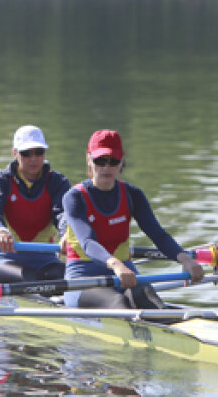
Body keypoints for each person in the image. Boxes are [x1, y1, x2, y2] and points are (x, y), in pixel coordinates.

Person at [61, 129, 204, 309]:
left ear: (122, 162)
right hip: (82, 279)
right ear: (89, 159)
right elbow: (88, 242)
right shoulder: (74, 198)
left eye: (113, 161)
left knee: (151, 299)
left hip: (125, 274)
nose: (106, 167)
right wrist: (115, 264)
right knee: (118, 302)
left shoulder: (132, 195)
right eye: (100, 160)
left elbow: (158, 235)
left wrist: (186, 259)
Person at [0, 125, 71, 283]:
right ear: (15, 153)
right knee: (34, 279)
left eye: (38, 152)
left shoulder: (57, 182)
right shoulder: (1, 180)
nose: (33, 158)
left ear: (44, 153)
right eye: (26, 153)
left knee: (73, 276)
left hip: (46, 260)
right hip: (4, 258)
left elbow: (64, 213)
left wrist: (67, 233)